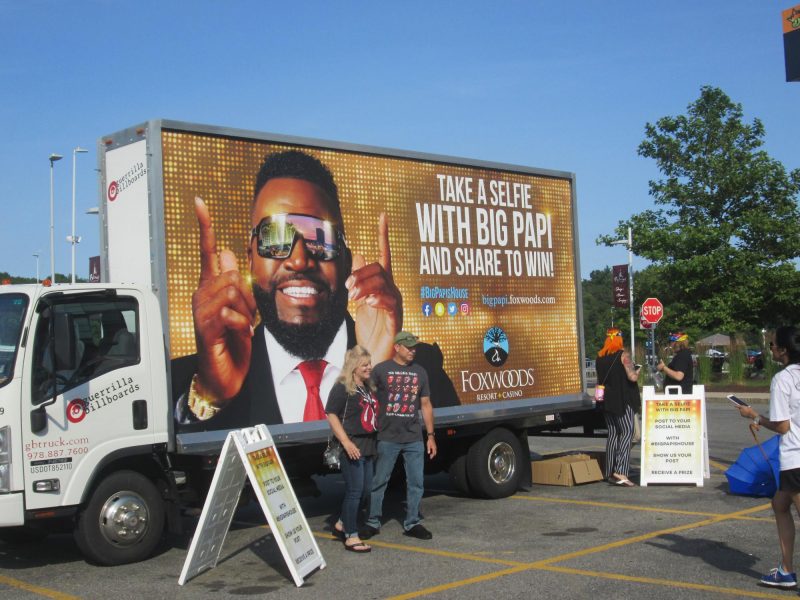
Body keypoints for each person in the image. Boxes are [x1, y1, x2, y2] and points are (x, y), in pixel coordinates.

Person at [172, 149, 402, 428]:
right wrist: (211, 396)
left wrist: (383, 375)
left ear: (346, 261)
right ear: (251, 260)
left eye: (321, 239)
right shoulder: (190, 379)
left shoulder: (416, 364)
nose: (298, 260)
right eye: (275, 238)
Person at [736, 326, 800, 589]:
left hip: (795, 456)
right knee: (779, 505)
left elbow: (783, 426)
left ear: (783, 350)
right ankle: (786, 570)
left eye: (773, 345)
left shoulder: (783, 379)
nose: (771, 348)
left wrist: (755, 416)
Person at [361, 331, 436, 540]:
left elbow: (426, 404)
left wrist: (430, 435)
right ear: (397, 347)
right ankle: (372, 522)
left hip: (413, 437)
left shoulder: (420, 372)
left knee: (416, 482)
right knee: (379, 481)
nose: (413, 351)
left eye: (414, 348)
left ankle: (413, 523)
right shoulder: (381, 370)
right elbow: (367, 398)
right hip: (387, 437)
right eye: (408, 347)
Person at [326, 346, 379, 553]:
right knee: (355, 491)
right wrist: (346, 443)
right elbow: (331, 414)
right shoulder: (342, 387)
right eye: (365, 364)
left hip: (368, 445)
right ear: (354, 366)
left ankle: (341, 523)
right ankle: (351, 535)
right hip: (352, 446)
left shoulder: (366, 386)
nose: (369, 367)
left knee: (365, 490)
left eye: (369, 363)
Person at [595, 328, 640, 486]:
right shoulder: (624, 356)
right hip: (623, 400)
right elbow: (632, 377)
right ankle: (621, 472)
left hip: (606, 400)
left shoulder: (600, 358)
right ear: (619, 340)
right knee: (627, 432)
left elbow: (600, 379)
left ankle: (609, 471)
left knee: (613, 434)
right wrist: (638, 370)